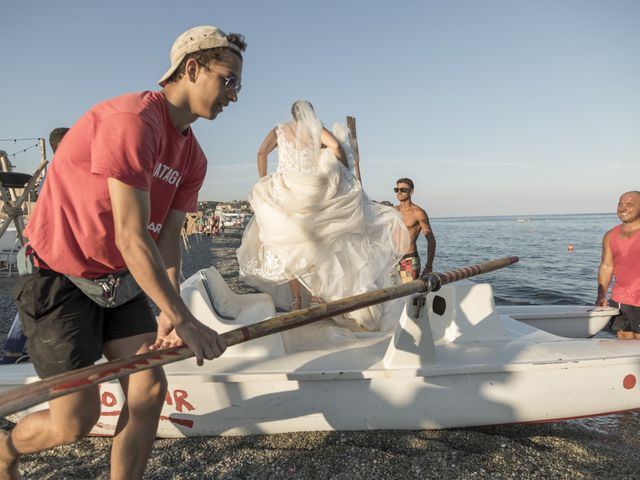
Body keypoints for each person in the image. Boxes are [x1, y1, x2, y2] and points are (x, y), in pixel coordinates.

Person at [0, 25, 246, 480]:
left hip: (118, 278)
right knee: (75, 421)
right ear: (191, 68)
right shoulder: (132, 122)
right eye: (228, 80)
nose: (234, 94)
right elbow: (133, 235)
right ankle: (5, 448)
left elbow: (168, 238)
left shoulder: (194, 158)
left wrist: (172, 310)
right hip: (59, 274)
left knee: (149, 389)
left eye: (239, 85)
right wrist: (190, 322)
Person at [237, 100, 409, 331]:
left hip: (286, 189)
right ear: (311, 114)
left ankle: (297, 300)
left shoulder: (280, 129)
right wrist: (345, 170)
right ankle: (321, 295)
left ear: (293, 114)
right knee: (325, 243)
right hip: (314, 189)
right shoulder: (315, 129)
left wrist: (263, 179)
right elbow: (336, 147)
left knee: (290, 246)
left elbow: (261, 152)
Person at [1, 127, 70, 365]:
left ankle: (14, 352)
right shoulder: (62, 174)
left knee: (39, 298)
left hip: (49, 248)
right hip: (53, 249)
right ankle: (13, 354)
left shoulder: (56, 175)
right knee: (40, 297)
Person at [596, 191, 640, 339]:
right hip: (620, 300)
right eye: (620, 204)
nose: (622, 208)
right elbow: (607, 267)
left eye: (629, 204)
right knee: (623, 340)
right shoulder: (610, 235)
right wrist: (601, 295)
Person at [394, 178, 436, 283]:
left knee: (408, 296)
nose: (399, 192)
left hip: (409, 260)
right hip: (392, 260)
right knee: (392, 296)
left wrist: (429, 266)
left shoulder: (418, 213)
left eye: (403, 190)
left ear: (411, 192)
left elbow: (431, 240)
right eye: (397, 189)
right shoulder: (393, 211)